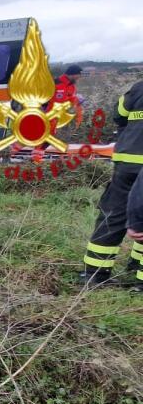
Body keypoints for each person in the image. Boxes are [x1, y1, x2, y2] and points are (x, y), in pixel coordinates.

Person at [79, 78, 143, 288]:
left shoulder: (138, 87)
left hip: (127, 162)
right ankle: (139, 277)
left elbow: (119, 113)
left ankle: (94, 274)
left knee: (112, 215)